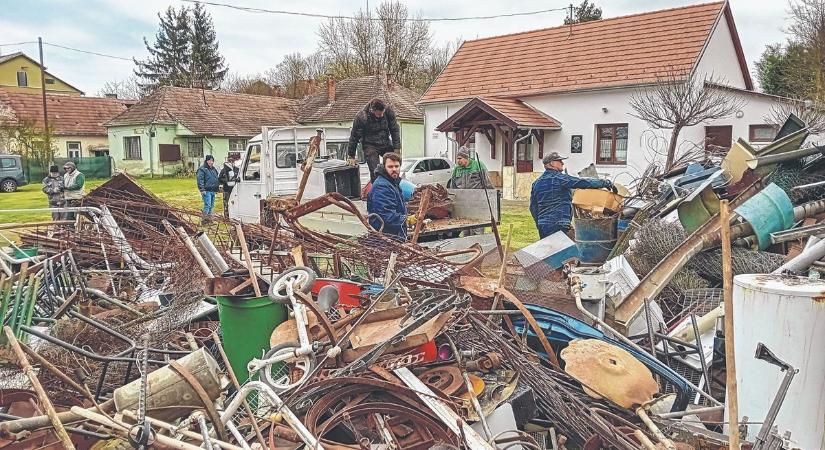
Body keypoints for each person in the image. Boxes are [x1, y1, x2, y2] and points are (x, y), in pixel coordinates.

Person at [530, 152, 616, 239]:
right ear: (552, 164)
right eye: (559, 161)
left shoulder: (536, 183)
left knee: (549, 251)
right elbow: (582, 182)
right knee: (566, 250)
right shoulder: (560, 178)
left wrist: (540, 223)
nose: (562, 163)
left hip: (543, 225)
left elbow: (533, 207)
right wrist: (605, 183)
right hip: (559, 223)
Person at [346, 98, 402, 182]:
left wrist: (397, 149)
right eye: (379, 114)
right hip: (370, 145)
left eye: (383, 113)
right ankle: (378, 187)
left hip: (385, 142)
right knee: (375, 170)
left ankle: (395, 184)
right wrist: (351, 155)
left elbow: (394, 130)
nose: (382, 115)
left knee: (394, 163)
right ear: (372, 110)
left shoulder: (388, 111)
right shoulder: (361, 117)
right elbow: (354, 136)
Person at [367, 152, 413, 240]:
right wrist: (406, 220)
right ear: (384, 167)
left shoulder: (392, 182)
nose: (394, 169)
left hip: (393, 234)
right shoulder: (382, 186)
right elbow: (385, 214)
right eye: (390, 167)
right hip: (385, 238)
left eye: (396, 166)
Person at [196, 155, 220, 222]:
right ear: (206, 161)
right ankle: (204, 220)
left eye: (212, 161)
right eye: (210, 160)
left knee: (212, 206)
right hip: (206, 191)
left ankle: (210, 220)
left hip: (213, 190)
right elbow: (200, 180)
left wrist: (217, 188)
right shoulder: (202, 169)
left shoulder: (213, 169)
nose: (211, 162)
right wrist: (202, 189)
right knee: (207, 205)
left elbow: (216, 179)